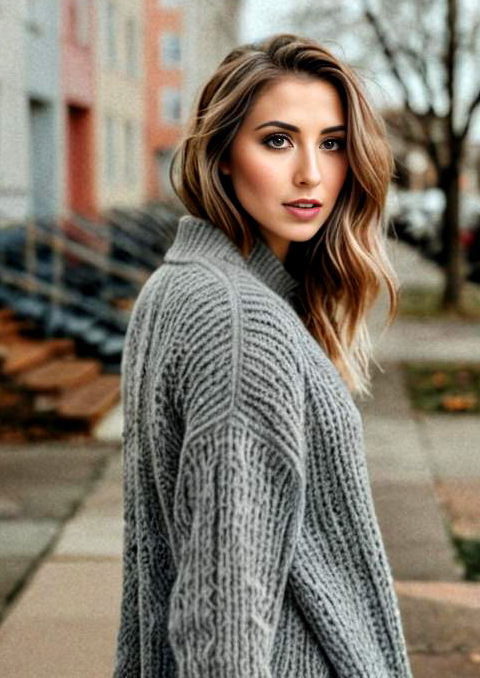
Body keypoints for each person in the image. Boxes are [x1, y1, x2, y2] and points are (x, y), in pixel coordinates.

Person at [113, 33, 413, 677]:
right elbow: (223, 611)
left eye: (331, 144)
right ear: (222, 155)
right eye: (277, 140)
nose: (311, 172)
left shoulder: (177, 287)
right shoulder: (241, 324)